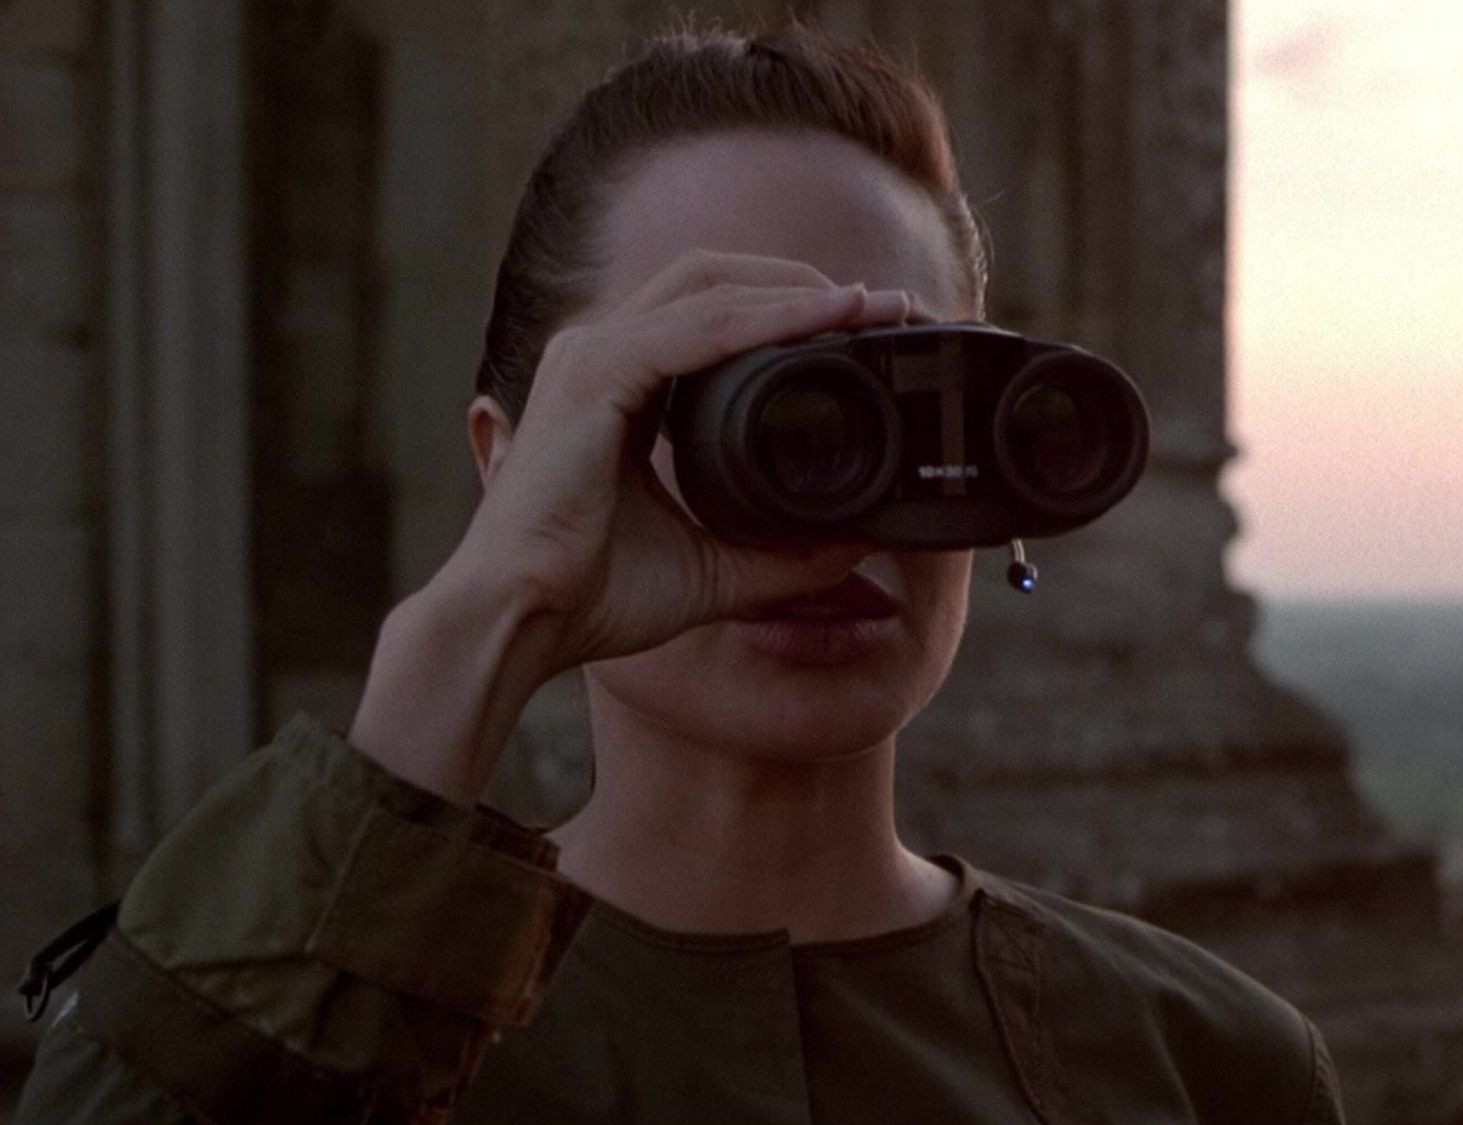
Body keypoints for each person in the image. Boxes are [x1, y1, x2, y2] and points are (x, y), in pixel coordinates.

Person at [17, 20, 1345, 1124]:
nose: (831, 491)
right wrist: (470, 630)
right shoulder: (346, 1052)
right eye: (731, 392)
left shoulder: (1204, 1068)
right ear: (514, 461)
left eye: (898, 401)